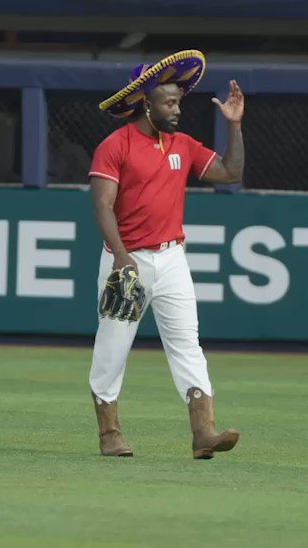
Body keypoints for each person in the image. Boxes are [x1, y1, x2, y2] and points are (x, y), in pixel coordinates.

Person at [88, 50, 245, 460]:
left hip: (172, 258)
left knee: (187, 344)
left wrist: (235, 126)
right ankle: (109, 435)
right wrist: (122, 257)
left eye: (179, 101)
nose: (177, 109)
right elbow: (103, 206)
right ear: (146, 102)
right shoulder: (114, 145)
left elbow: (231, 173)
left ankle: (203, 433)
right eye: (169, 102)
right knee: (113, 347)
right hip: (127, 260)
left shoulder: (183, 144)